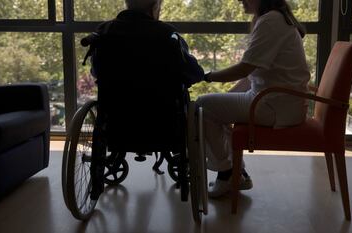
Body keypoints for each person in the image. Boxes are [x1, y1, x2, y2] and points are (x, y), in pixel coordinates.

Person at [85, 0, 204, 199]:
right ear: (155, 6)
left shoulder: (104, 32)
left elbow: (97, 71)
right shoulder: (168, 34)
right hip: (163, 124)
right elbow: (193, 73)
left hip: (117, 123)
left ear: (128, 3)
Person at [197, 0, 310, 198]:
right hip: (279, 101)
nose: (240, 0)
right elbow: (252, 75)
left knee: (202, 106)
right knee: (213, 107)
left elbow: (244, 68)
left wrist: (206, 76)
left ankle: (227, 173)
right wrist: (224, 98)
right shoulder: (274, 18)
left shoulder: (270, 21)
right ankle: (236, 171)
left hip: (273, 105)